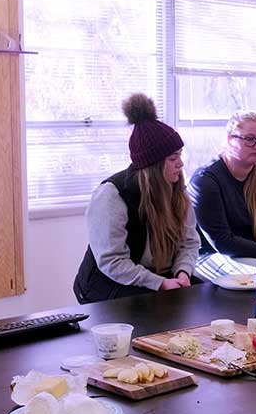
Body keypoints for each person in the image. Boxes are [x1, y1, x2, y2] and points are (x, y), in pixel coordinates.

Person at [73, 94, 199, 303]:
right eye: (173, 158)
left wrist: (183, 273)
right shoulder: (112, 195)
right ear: (153, 166)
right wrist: (159, 283)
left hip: (158, 278)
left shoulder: (176, 189)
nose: (181, 164)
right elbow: (112, 261)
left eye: (180, 155)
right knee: (159, 311)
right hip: (107, 284)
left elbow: (189, 242)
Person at [188, 110, 256, 281]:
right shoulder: (205, 180)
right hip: (212, 257)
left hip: (254, 256)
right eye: (250, 139)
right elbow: (222, 241)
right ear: (230, 139)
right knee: (253, 279)